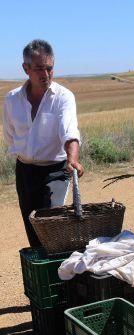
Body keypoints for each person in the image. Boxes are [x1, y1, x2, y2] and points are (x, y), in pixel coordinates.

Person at [3, 39, 83, 248]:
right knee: (32, 226)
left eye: (49, 68)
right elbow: (10, 136)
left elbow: (70, 131)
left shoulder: (64, 97)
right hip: (25, 171)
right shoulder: (11, 100)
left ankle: (62, 274)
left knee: (50, 224)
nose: (45, 75)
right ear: (26, 68)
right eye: (39, 69)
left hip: (56, 171)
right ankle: (43, 277)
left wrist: (72, 159)